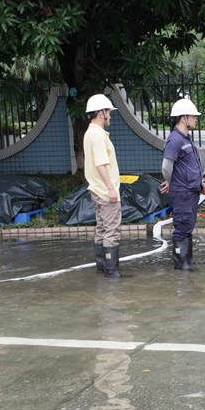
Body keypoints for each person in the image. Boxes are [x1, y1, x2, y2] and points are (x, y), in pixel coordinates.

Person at [84, 94, 131, 278]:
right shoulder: (98, 135)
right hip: (105, 192)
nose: (110, 116)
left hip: (96, 189)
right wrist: (111, 189)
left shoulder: (89, 133)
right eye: (109, 112)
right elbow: (101, 164)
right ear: (102, 113)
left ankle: (102, 269)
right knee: (111, 230)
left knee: (102, 229)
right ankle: (112, 272)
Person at [162, 98, 205, 271]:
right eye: (193, 116)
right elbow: (166, 166)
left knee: (188, 224)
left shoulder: (186, 138)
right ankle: (181, 264)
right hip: (182, 191)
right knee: (182, 226)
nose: (195, 119)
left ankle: (188, 259)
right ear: (183, 118)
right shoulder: (175, 139)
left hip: (190, 190)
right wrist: (172, 183)